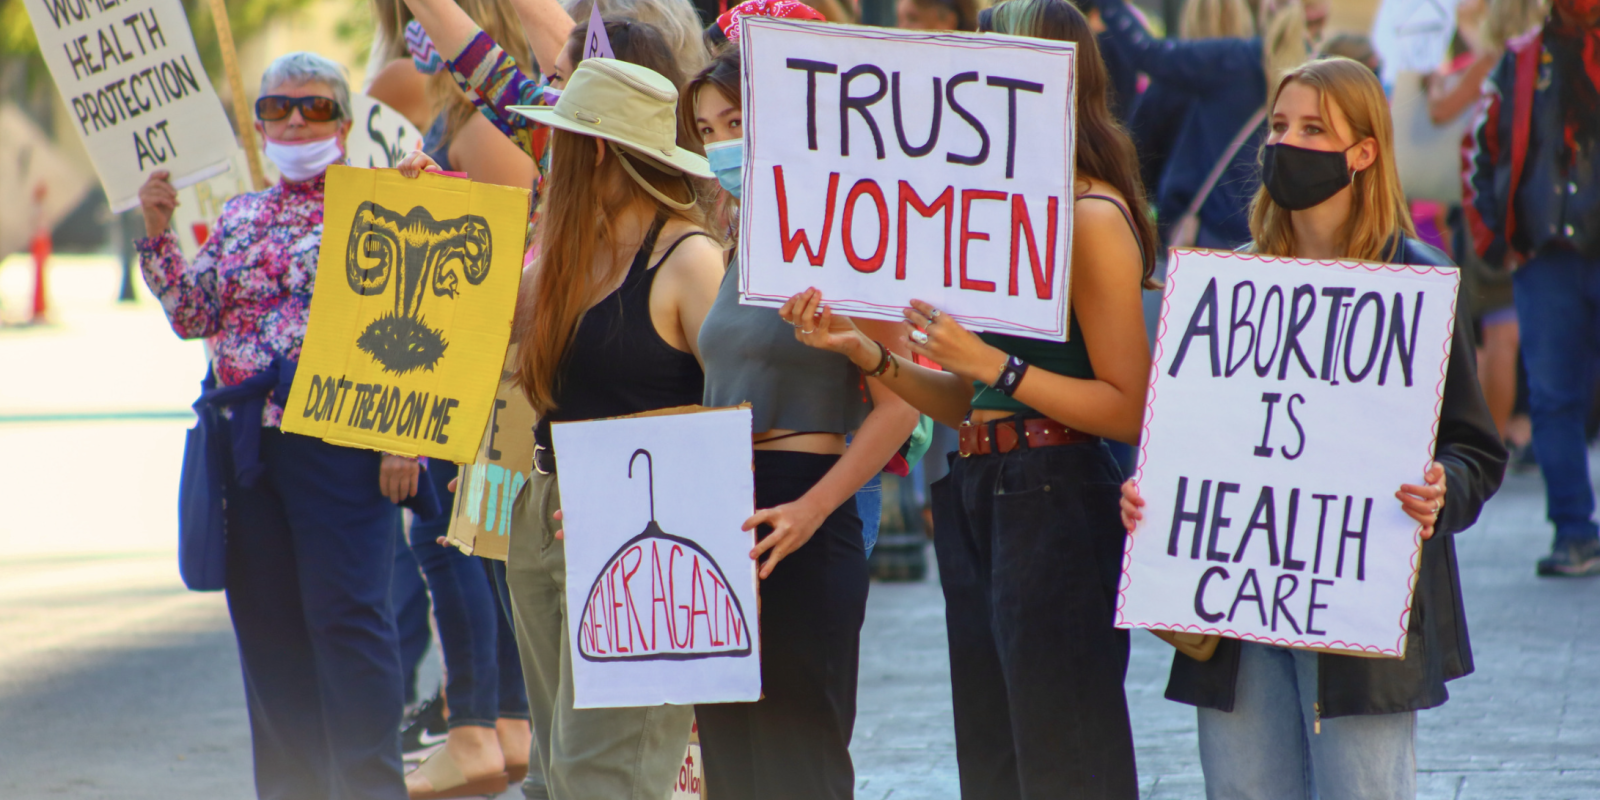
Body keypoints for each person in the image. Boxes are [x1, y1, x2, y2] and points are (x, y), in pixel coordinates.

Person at [788, 1, 1157, 796]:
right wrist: (871, 356)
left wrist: (996, 365)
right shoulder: (1004, 211)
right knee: (992, 765)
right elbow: (967, 402)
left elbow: (1129, 406)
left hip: (1056, 492)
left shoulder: (1091, 216)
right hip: (985, 486)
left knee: (1066, 762)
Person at [1123, 57, 1508, 800]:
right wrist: (1156, 497)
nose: (1284, 144)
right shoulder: (1230, 286)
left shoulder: (1416, 286)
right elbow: (1191, 439)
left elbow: (1474, 450)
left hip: (1360, 618)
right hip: (1236, 614)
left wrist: (1441, 489)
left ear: (1363, 152)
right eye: (1277, 127)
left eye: (1311, 129)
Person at [404, 57, 724, 799]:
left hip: (638, 528)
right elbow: (468, 323)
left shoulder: (690, 260)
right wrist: (426, 212)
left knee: (605, 776)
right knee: (556, 775)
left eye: (562, 142)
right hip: (542, 512)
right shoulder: (569, 256)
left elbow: (734, 417)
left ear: (599, 150)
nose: (549, 158)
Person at [135, 52, 413, 800]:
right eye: (277, 108)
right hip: (247, 453)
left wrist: (403, 436)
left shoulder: (383, 203)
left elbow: (417, 324)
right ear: (258, 125)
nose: (295, 120)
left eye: (315, 108)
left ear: (345, 124)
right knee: (269, 633)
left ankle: (369, 789)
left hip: (345, 445)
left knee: (349, 625)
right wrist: (159, 236)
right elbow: (193, 315)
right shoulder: (240, 214)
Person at [682, 32, 921, 799]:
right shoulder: (734, 236)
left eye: (735, 123)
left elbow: (900, 403)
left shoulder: (849, 234)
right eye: (708, 132)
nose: (722, 144)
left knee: (799, 756)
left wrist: (814, 510)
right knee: (729, 753)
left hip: (802, 495)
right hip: (719, 505)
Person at [1465, 0, 1600, 577]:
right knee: (1551, 396)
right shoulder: (1521, 62)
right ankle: (1574, 531)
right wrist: (1495, 238)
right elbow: (1480, 150)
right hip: (1545, 256)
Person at [1098, 0, 1310, 249]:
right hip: (1269, 235)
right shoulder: (1310, 70)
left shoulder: (1233, 61)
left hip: (1206, 237)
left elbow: (1149, 53)